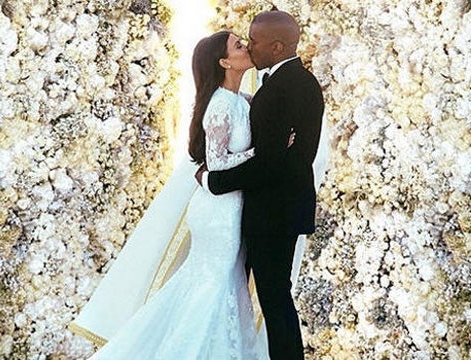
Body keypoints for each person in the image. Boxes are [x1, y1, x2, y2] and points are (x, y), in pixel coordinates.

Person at [76, 30, 273, 359]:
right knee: (215, 285)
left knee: (221, 284)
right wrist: (259, 154)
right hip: (217, 213)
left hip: (233, 207)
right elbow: (218, 162)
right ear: (224, 61)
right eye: (239, 46)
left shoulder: (241, 100)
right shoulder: (219, 105)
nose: (246, 47)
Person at [196, 10, 325, 360]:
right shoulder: (291, 82)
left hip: (274, 212)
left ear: (278, 46)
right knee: (270, 297)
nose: (250, 46)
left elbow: (271, 163)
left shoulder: (286, 87)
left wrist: (214, 181)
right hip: (278, 208)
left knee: (274, 299)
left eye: (254, 41)